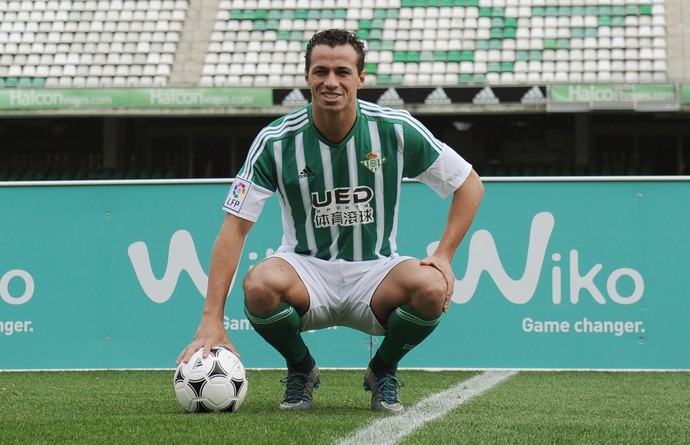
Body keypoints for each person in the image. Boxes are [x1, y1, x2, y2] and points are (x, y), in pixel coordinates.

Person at [177, 29, 484, 413]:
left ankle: (383, 369)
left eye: (342, 71)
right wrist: (211, 319)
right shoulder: (276, 140)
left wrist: (444, 255)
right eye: (320, 71)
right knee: (259, 285)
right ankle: (301, 369)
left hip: (377, 271)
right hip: (306, 270)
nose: (331, 81)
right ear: (307, 77)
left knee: (432, 287)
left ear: (361, 77)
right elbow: (234, 228)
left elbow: (469, 184)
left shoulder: (394, 129)